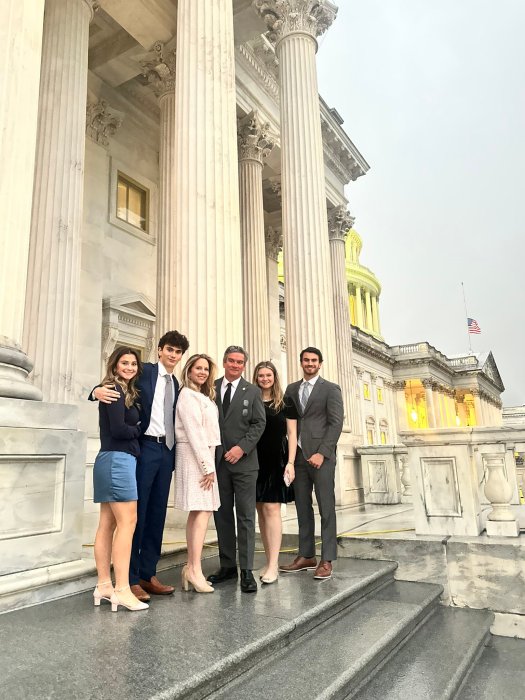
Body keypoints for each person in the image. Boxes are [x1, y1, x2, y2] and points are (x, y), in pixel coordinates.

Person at [91, 330, 189, 601]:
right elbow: (115, 381)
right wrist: (94, 391)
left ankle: (148, 573)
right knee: (138, 513)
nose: (173, 355)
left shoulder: (176, 383)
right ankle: (131, 578)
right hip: (143, 447)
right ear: (159, 350)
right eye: (169, 349)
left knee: (158, 513)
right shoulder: (143, 371)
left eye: (178, 352)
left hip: (166, 450)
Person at [279, 347, 344, 581]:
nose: (310, 363)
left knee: (326, 509)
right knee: (302, 508)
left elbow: (335, 424)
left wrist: (322, 453)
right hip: (298, 458)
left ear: (320, 363)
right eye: (306, 360)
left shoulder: (330, 389)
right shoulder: (291, 390)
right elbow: (291, 423)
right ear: (301, 362)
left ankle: (326, 559)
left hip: (321, 458)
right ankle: (306, 555)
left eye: (314, 360)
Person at [92, 346, 148, 612]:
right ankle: (122, 589)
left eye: (133, 364)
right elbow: (118, 429)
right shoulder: (113, 390)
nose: (129, 367)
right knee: (128, 522)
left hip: (109, 459)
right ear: (115, 366)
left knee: (107, 523)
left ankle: (104, 585)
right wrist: (136, 430)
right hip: (118, 460)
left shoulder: (118, 389)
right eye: (124, 363)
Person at [207, 346, 266, 593]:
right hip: (218, 463)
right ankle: (228, 566)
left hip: (244, 464)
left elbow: (258, 423)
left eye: (240, 362)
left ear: (244, 365)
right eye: (231, 361)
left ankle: (247, 571)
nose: (235, 365)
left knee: (245, 516)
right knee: (221, 517)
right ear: (224, 362)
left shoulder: (252, 391)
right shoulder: (211, 387)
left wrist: (241, 448)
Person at [175, 354, 221, 594]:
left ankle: (192, 568)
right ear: (189, 370)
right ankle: (194, 569)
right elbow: (194, 433)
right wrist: (207, 467)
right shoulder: (186, 396)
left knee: (201, 511)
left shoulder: (202, 395)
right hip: (195, 456)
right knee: (202, 511)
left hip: (204, 454)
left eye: (205, 369)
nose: (202, 372)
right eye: (198, 368)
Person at [252, 361, 297, 585]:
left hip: (276, 459)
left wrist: (291, 462)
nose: (265, 378)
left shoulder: (285, 401)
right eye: (261, 375)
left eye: (268, 375)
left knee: (272, 509)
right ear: (256, 377)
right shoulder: (251, 399)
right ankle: (269, 560)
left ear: (274, 377)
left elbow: (292, 432)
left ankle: (273, 565)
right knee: (261, 509)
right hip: (254, 459)